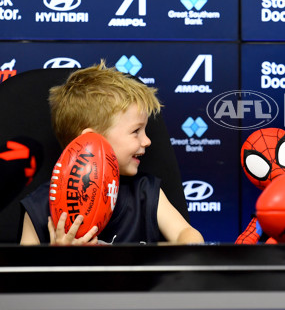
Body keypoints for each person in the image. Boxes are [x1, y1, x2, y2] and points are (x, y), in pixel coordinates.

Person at [20, 61, 204, 245]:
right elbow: (20, 272)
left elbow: (185, 234)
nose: (147, 141)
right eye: (136, 131)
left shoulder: (144, 192)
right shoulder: (40, 206)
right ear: (90, 142)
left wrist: (183, 246)